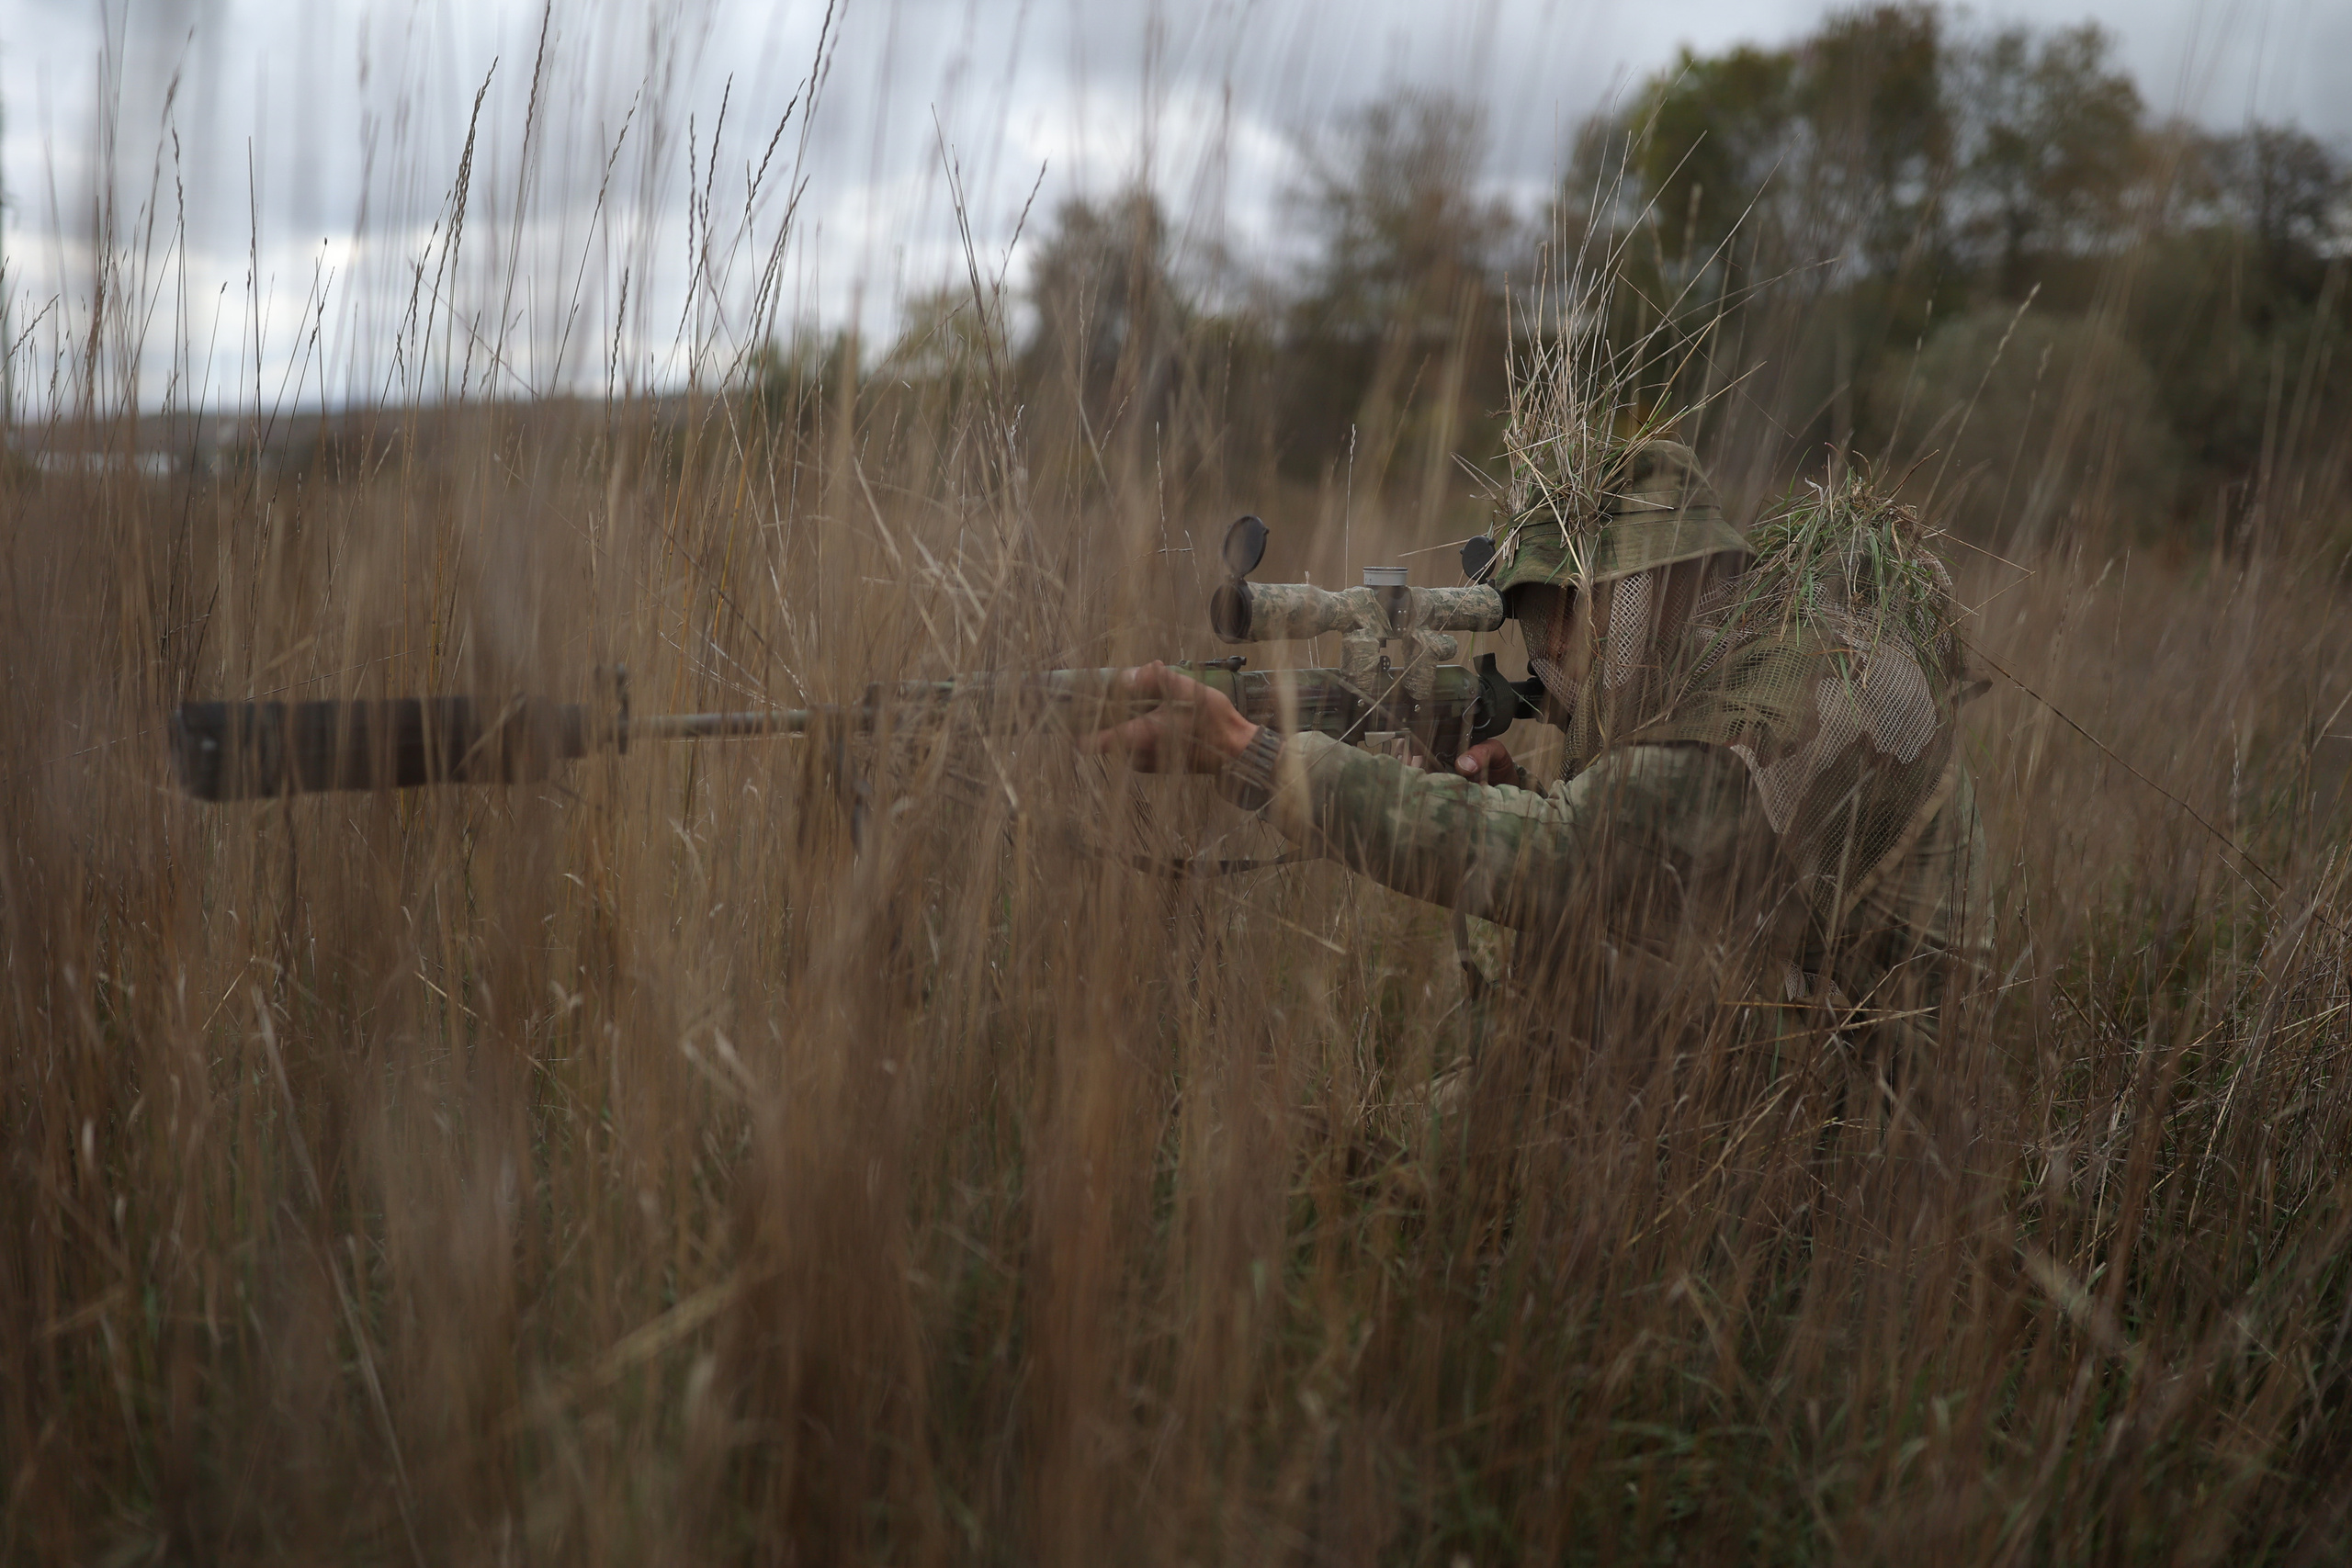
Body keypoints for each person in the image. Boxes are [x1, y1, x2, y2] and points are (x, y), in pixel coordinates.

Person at [1085, 440, 1990, 1050]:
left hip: (1884, 1096)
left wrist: (1250, 753)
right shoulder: (1771, 639)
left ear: (1642, 591)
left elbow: (1569, 861)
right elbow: (1673, 866)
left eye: (1560, 615)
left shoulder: (1767, 702)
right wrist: (1515, 792)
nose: (1548, 654)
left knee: (1574, 987)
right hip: (1848, 1019)